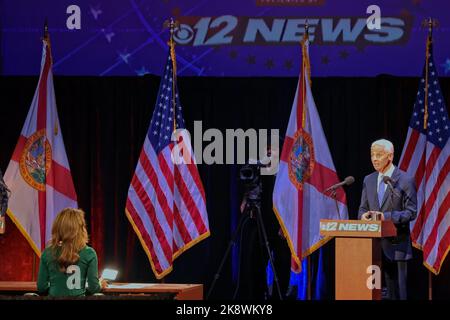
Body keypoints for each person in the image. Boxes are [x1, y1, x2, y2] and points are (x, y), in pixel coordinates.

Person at [358, 139, 417, 300]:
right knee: (374, 293)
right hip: (373, 248)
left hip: (397, 246)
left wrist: (387, 217)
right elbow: (362, 209)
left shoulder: (405, 180)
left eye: (379, 155)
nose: (374, 159)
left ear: (390, 156)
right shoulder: (368, 180)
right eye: (372, 155)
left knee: (397, 294)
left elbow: (411, 213)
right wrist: (363, 216)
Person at [37, 208, 107, 297]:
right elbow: (94, 288)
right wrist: (100, 284)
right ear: (81, 230)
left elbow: (41, 288)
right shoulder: (89, 253)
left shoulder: (47, 253)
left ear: (57, 228)